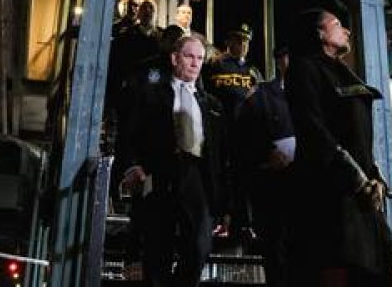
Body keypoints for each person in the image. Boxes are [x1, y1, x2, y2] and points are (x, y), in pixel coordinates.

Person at [284, 8, 392, 287]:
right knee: (337, 269)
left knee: (389, 273)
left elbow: (360, 138)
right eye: (338, 24)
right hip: (329, 192)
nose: (347, 30)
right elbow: (313, 130)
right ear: (320, 34)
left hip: (360, 193)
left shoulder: (343, 72)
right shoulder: (304, 68)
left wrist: (375, 176)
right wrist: (354, 176)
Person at [122, 35, 224, 287]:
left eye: (200, 58)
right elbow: (130, 134)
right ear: (174, 58)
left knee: (200, 245)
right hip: (159, 171)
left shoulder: (211, 104)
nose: (195, 63)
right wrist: (133, 165)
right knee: (158, 247)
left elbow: (220, 155)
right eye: (189, 56)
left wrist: (225, 203)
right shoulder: (150, 94)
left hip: (196, 175)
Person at [237, 45, 294, 287]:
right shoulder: (260, 95)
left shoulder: (313, 93)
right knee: (276, 257)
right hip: (273, 188)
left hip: (307, 187)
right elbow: (241, 137)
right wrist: (266, 153)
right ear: (281, 60)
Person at [203, 23, 264, 240]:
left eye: (246, 40)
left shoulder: (253, 71)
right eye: (238, 40)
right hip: (217, 131)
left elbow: (261, 102)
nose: (242, 44)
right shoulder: (214, 65)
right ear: (228, 42)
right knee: (217, 174)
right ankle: (218, 220)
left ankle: (243, 223)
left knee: (243, 178)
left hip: (244, 134)